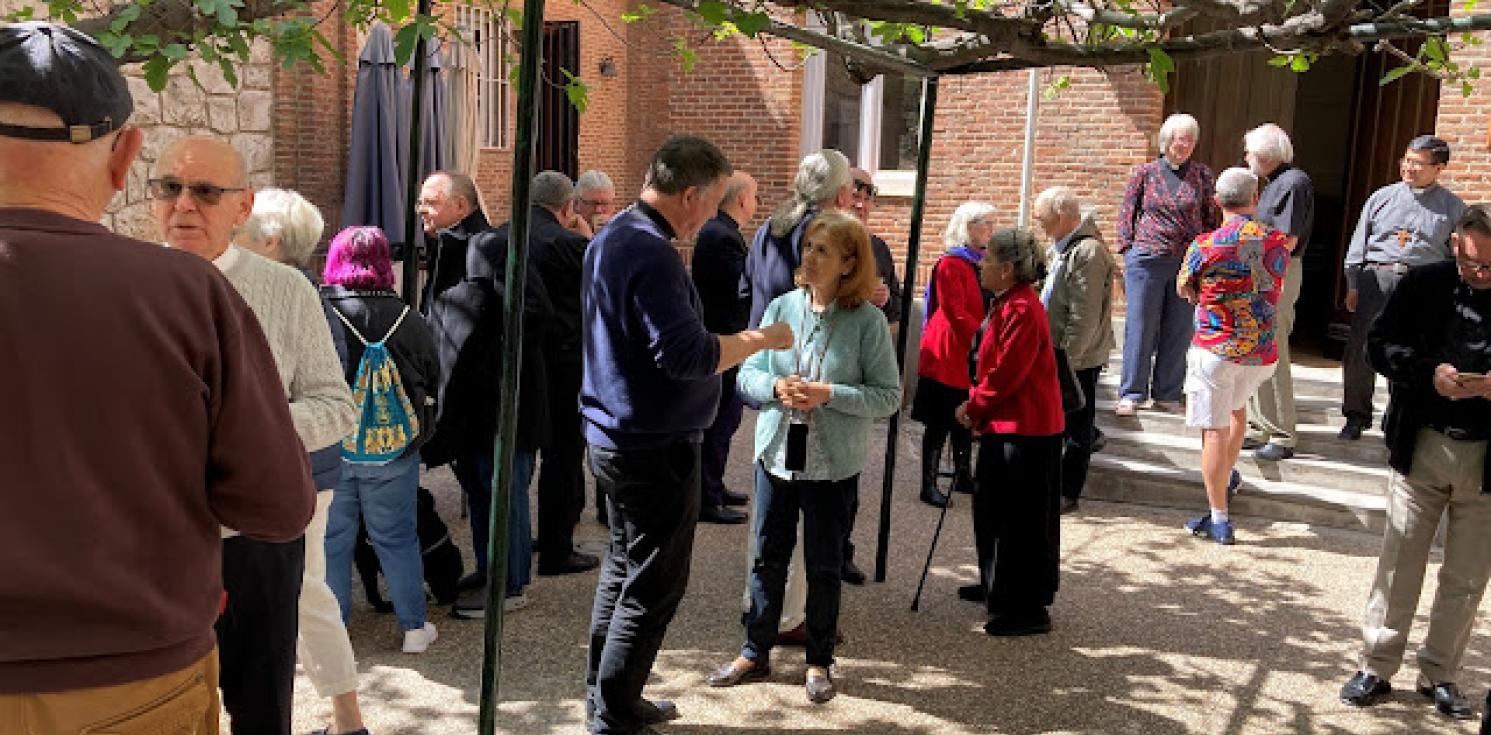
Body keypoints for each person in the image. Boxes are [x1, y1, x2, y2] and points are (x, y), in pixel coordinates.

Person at [0, 22, 313, 733]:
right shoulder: (184, 295)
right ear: (126, 158)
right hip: (131, 681)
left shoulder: (205, 291)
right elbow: (276, 504)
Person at [582, 136, 793, 735]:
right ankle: (614, 712)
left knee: (623, 572)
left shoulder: (613, 235)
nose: (715, 213)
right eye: (715, 200)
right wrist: (762, 339)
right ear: (690, 194)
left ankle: (608, 699)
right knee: (652, 586)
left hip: (618, 434)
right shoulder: (650, 252)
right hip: (652, 443)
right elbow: (689, 356)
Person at [154, 136, 358, 735]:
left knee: (261, 706)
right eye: (169, 188)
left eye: (205, 192)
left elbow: (337, 406)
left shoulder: (286, 290)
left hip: (256, 534)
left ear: (242, 208)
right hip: (154, 535)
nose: (183, 205)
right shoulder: (127, 285)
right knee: (159, 704)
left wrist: (245, 425)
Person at [706, 211, 901, 702]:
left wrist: (829, 393)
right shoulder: (781, 308)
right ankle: (755, 650)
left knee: (824, 564)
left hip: (833, 462)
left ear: (849, 263)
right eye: (808, 247)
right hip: (775, 453)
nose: (809, 258)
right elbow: (747, 375)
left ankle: (819, 661)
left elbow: (888, 396)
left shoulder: (867, 321)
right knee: (766, 555)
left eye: (823, 251)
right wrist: (775, 386)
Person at [1339, 204, 1491, 721]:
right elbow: (1379, 346)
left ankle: (1440, 673)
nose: (1480, 275)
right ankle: (1377, 666)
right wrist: (1428, 373)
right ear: (1456, 245)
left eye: (1490, 267)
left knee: (1467, 577)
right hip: (1422, 441)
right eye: (1471, 263)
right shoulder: (1424, 284)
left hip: (1487, 458)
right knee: (1400, 561)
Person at [238, 190, 374, 734]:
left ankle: (346, 718)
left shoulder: (297, 298)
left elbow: (328, 400)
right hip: (296, 471)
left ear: (270, 241)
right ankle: (346, 719)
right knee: (305, 591)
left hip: (298, 474)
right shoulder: (291, 292)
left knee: (305, 591)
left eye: (241, 230)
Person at [421, 195, 555, 617]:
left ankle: (510, 584)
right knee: (481, 491)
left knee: (502, 492)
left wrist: (486, 359)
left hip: (498, 404)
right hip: (467, 404)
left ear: (459, 204)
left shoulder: (491, 246)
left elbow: (533, 313)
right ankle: (490, 569)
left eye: (430, 202)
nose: (421, 211)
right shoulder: (451, 249)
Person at [741, 149, 855, 641]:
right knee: (800, 517)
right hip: (800, 364)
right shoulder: (824, 229)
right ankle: (790, 618)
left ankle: (761, 606)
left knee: (770, 523)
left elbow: (748, 287)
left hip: (771, 355)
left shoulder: (771, 224)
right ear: (838, 190)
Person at [319, 226, 442, 658]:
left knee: (332, 539)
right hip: (392, 448)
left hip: (332, 444)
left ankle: (336, 630)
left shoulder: (322, 311)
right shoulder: (408, 318)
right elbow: (432, 376)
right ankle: (413, 627)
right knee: (396, 537)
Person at [953, 228, 1064, 636]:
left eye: (987, 259)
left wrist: (975, 406)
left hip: (1027, 429)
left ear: (1007, 268)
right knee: (995, 513)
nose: (981, 265)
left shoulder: (1022, 308)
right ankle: (997, 585)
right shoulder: (1008, 303)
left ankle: (1026, 607)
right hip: (1012, 424)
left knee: (1019, 521)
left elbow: (1007, 375)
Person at [1175, 168, 1290, 546]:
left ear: (1217, 201)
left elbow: (1184, 287)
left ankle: (1219, 517)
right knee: (1237, 411)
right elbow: (1276, 283)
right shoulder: (1276, 241)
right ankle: (1225, 478)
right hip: (1260, 351)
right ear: (1254, 199)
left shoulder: (1205, 245)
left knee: (1214, 429)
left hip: (1216, 347)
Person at [498, 171, 601, 576]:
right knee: (562, 456)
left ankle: (522, 538)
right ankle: (557, 547)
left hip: (518, 360)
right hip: (564, 362)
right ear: (567, 206)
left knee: (519, 456)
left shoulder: (503, 235)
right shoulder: (571, 244)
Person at [1339, 135, 1465, 440]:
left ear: (1439, 168)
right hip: (1377, 279)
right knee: (1361, 347)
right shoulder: (1381, 197)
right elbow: (1360, 244)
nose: (1409, 168)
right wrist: (1353, 283)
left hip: (1422, 285)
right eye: (1406, 161)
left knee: (1412, 350)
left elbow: (1457, 257)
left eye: (1418, 164)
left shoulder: (1452, 208)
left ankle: (1398, 416)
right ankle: (1356, 415)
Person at [1115, 112, 1220, 417]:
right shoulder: (1145, 173)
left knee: (1178, 328)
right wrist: (1127, 250)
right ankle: (1132, 393)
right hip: (1146, 260)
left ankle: (1167, 393)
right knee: (1140, 326)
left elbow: (1210, 219)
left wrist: (1207, 257)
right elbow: (1127, 213)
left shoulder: (1202, 176)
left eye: (1189, 139)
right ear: (1166, 141)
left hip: (1186, 263)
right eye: (1179, 138)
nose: (1184, 144)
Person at [1033, 186, 1115, 515]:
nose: (1040, 224)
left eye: (1044, 218)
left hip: (1075, 358)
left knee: (1077, 426)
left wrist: (1069, 360)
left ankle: (1069, 492)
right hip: (1057, 352)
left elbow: (1084, 313)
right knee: (1063, 422)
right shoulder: (1061, 247)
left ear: (1064, 217)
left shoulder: (1089, 252)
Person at [840, 166, 902, 585]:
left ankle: (840, 551)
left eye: (869, 197)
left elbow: (895, 309)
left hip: (859, 381)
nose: (862, 204)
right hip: (817, 373)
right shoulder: (821, 243)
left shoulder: (878, 247)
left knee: (848, 472)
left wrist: (880, 306)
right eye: (854, 195)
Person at [913, 201, 996, 508]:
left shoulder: (982, 261)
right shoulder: (951, 263)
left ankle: (963, 475)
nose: (992, 229)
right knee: (939, 421)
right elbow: (955, 312)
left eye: (992, 223)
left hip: (969, 349)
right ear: (968, 227)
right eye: (986, 223)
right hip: (947, 351)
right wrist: (986, 337)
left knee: (965, 413)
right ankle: (929, 483)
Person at [1240, 123, 1314, 462]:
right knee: (1257, 348)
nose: (1247, 158)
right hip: (1262, 271)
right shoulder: (1272, 184)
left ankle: (1282, 433)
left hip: (1277, 272)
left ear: (1266, 155)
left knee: (1273, 350)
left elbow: (1286, 239)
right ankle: (1258, 424)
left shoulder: (1293, 183)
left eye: (1250, 153)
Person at [693, 171, 761, 525]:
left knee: (726, 419)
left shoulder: (723, 232)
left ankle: (713, 486)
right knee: (721, 420)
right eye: (755, 196)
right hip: (723, 339)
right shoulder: (721, 236)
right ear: (741, 199)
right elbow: (738, 290)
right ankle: (708, 497)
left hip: (725, 336)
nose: (757, 204)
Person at [416, 170, 485, 310]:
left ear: (461, 206)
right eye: (420, 203)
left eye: (431, 202)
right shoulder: (440, 244)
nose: (421, 210)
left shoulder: (488, 249)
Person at [571, 169, 618, 237]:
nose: (598, 210)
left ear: (613, 205)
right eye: (592, 203)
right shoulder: (566, 235)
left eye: (605, 203)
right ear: (576, 204)